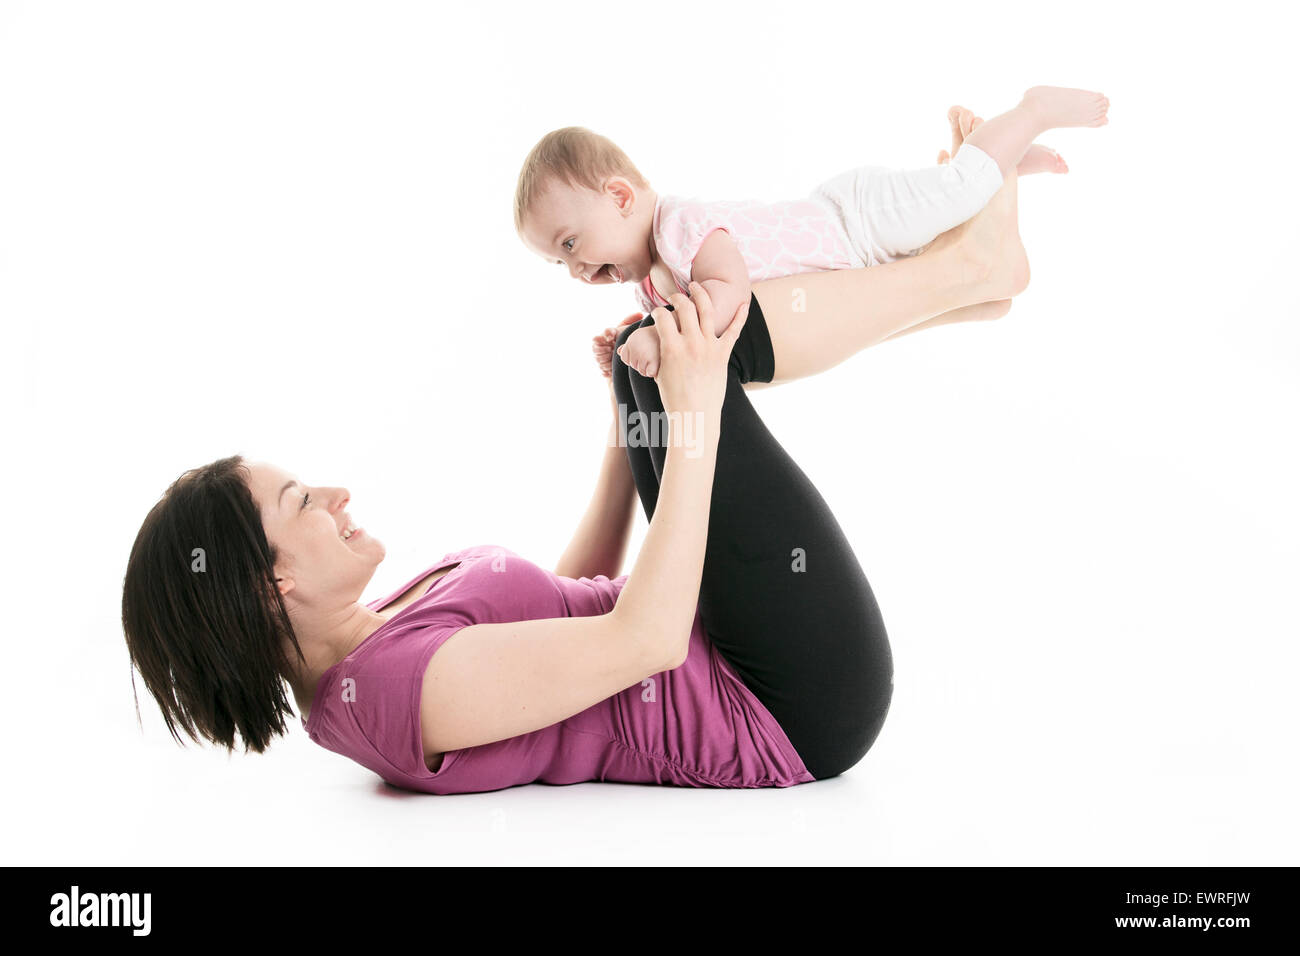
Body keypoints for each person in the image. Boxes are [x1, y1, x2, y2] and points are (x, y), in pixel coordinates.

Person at [121, 125, 1031, 794]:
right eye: (301, 503)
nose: (336, 491)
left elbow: (577, 595)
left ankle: (969, 289)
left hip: (735, 641)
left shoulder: (381, 631)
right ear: (263, 586)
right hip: (789, 704)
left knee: (651, 352)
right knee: (684, 339)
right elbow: (643, 640)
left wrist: (625, 421)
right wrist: (695, 414)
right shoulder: (389, 694)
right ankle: (964, 269)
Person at [517, 88, 1105, 376]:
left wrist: (658, 338)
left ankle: (1029, 113)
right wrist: (628, 330)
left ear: (619, 197)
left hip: (855, 222)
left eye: (570, 244)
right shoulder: (650, 281)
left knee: (956, 194)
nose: (573, 270)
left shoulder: (680, 226)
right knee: (964, 252)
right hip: (858, 253)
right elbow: (676, 304)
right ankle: (1000, 160)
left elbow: (728, 291)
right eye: (558, 263)